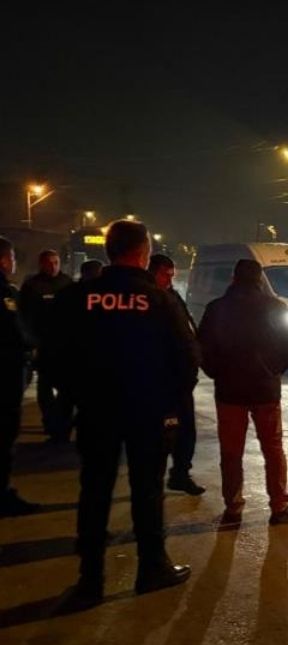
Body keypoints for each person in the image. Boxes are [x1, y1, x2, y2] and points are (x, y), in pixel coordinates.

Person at [55, 220, 198, 605]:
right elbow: (187, 360)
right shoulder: (159, 300)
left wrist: (78, 397)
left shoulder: (79, 297)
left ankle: (90, 581)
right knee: (147, 491)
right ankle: (152, 569)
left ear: (108, 250)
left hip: (97, 412)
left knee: (95, 492)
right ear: (143, 251)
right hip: (148, 413)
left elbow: (54, 357)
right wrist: (170, 406)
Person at [198, 259, 288, 526]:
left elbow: (202, 349)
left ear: (233, 278)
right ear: (259, 279)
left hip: (229, 392)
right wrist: (272, 370)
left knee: (231, 451)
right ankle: (279, 506)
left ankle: (233, 507)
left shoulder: (217, 308)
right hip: (265, 391)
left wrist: (217, 373)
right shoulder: (276, 307)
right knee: (273, 448)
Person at [149, 254, 204, 495]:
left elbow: (187, 327)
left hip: (181, 381)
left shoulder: (172, 296)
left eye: (172, 276)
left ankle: (180, 473)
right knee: (159, 436)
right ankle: (152, 482)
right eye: (165, 275)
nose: (169, 280)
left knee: (186, 432)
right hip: (159, 382)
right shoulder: (149, 298)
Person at [19, 250, 74, 442]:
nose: (53, 266)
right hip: (43, 345)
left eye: (56, 262)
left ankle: (62, 423)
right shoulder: (32, 286)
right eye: (49, 263)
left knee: (67, 389)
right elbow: (24, 317)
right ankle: (50, 422)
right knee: (45, 387)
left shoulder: (67, 284)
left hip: (65, 346)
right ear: (42, 264)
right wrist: (32, 343)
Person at [0, 238, 37, 517]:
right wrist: (28, 344)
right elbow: (13, 331)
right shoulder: (3, 291)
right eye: (11, 257)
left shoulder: (9, 290)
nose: (13, 262)